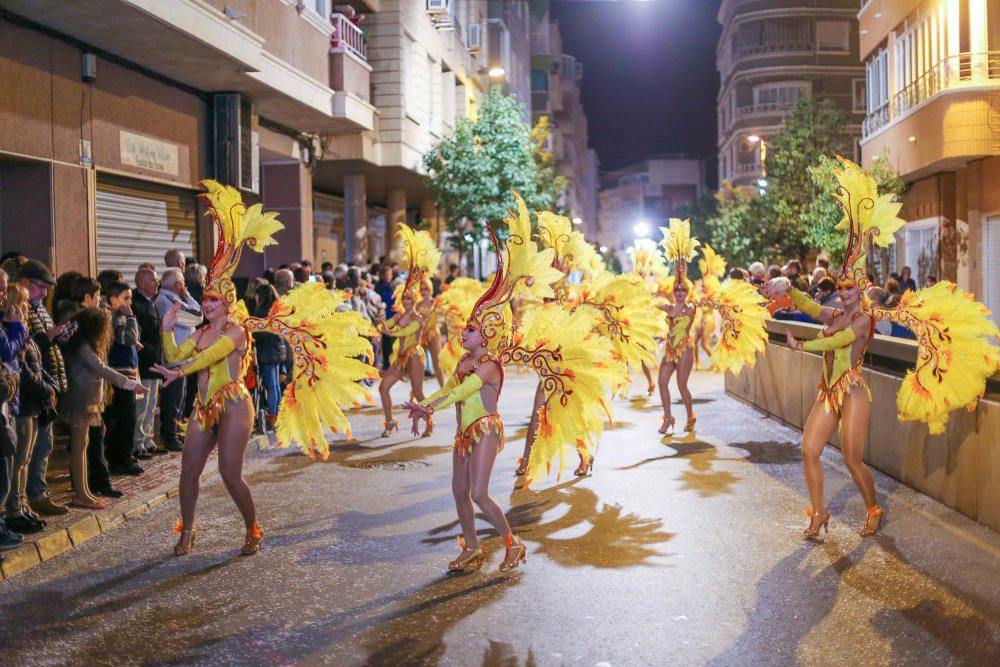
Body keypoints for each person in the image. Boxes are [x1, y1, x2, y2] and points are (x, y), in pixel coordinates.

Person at [777, 157, 1000, 539]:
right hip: (828, 391)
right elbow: (813, 309)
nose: (844, 294)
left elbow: (839, 340)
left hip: (852, 392)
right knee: (808, 450)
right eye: (841, 287)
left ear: (860, 290)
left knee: (850, 457)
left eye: (851, 288)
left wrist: (807, 344)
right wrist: (790, 289)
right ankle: (819, 513)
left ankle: (873, 507)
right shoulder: (834, 310)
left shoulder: (863, 320)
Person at [154, 180, 376, 557]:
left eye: (214, 301)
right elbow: (175, 355)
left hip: (236, 404)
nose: (207, 307)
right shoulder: (202, 333)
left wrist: (185, 370)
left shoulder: (238, 332)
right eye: (205, 301)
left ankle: (252, 527)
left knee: (229, 474)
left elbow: (208, 358)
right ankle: (188, 531)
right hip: (204, 407)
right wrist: (165, 332)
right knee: (187, 472)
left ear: (228, 303)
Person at [60, 306, 147, 508]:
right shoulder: (82, 347)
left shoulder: (84, 344)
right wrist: (131, 384)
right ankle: (80, 492)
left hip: (88, 401)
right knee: (79, 448)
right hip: (80, 401)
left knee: (83, 446)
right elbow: (102, 369)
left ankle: (85, 491)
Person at [19, 260, 71, 519]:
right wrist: (48, 337)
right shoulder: (19, 310)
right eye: (40, 287)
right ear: (24, 283)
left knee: (43, 446)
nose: (44, 293)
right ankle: (28, 499)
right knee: (29, 451)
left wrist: (58, 338)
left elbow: (41, 349)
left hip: (46, 386)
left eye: (47, 289)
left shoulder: (39, 310)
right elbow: (26, 352)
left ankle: (37, 495)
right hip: (32, 391)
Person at [377, 227, 437, 438]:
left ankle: (430, 421)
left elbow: (401, 332)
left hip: (414, 355)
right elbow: (385, 324)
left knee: (418, 393)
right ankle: (390, 422)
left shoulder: (419, 317)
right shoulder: (401, 314)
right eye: (405, 299)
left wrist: (389, 331)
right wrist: (382, 326)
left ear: (416, 300)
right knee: (383, 387)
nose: (407, 302)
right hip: (400, 357)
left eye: (411, 299)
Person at [154, 268, 202, 452]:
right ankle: (171, 436)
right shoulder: (168, 300)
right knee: (173, 399)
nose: (184, 285)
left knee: (179, 398)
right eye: (182, 282)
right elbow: (197, 316)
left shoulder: (169, 298)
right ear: (177, 284)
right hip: (174, 357)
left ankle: (175, 433)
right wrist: (188, 295)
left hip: (180, 356)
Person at [104, 282, 144, 476]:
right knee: (123, 420)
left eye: (130, 298)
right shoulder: (115, 318)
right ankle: (121, 460)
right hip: (119, 376)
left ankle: (123, 457)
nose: (130, 302)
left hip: (126, 373)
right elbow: (127, 338)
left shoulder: (120, 317)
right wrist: (130, 317)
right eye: (125, 298)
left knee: (127, 420)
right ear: (113, 299)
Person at [132, 268, 162, 461]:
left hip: (154, 362)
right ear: (141, 283)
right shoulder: (137, 304)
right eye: (152, 281)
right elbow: (136, 336)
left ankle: (148, 441)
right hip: (143, 363)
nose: (156, 284)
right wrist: (144, 351)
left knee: (151, 405)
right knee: (141, 406)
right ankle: (138, 444)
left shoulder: (151, 303)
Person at [251, 283, 285, 432]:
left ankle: (272, 417)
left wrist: (252, 331)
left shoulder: (263, 312)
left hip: (267, 352)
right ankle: (276, 415)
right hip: (278, 350)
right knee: (276, 386)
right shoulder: (277, 310)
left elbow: (260, 333)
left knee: (271, 386)